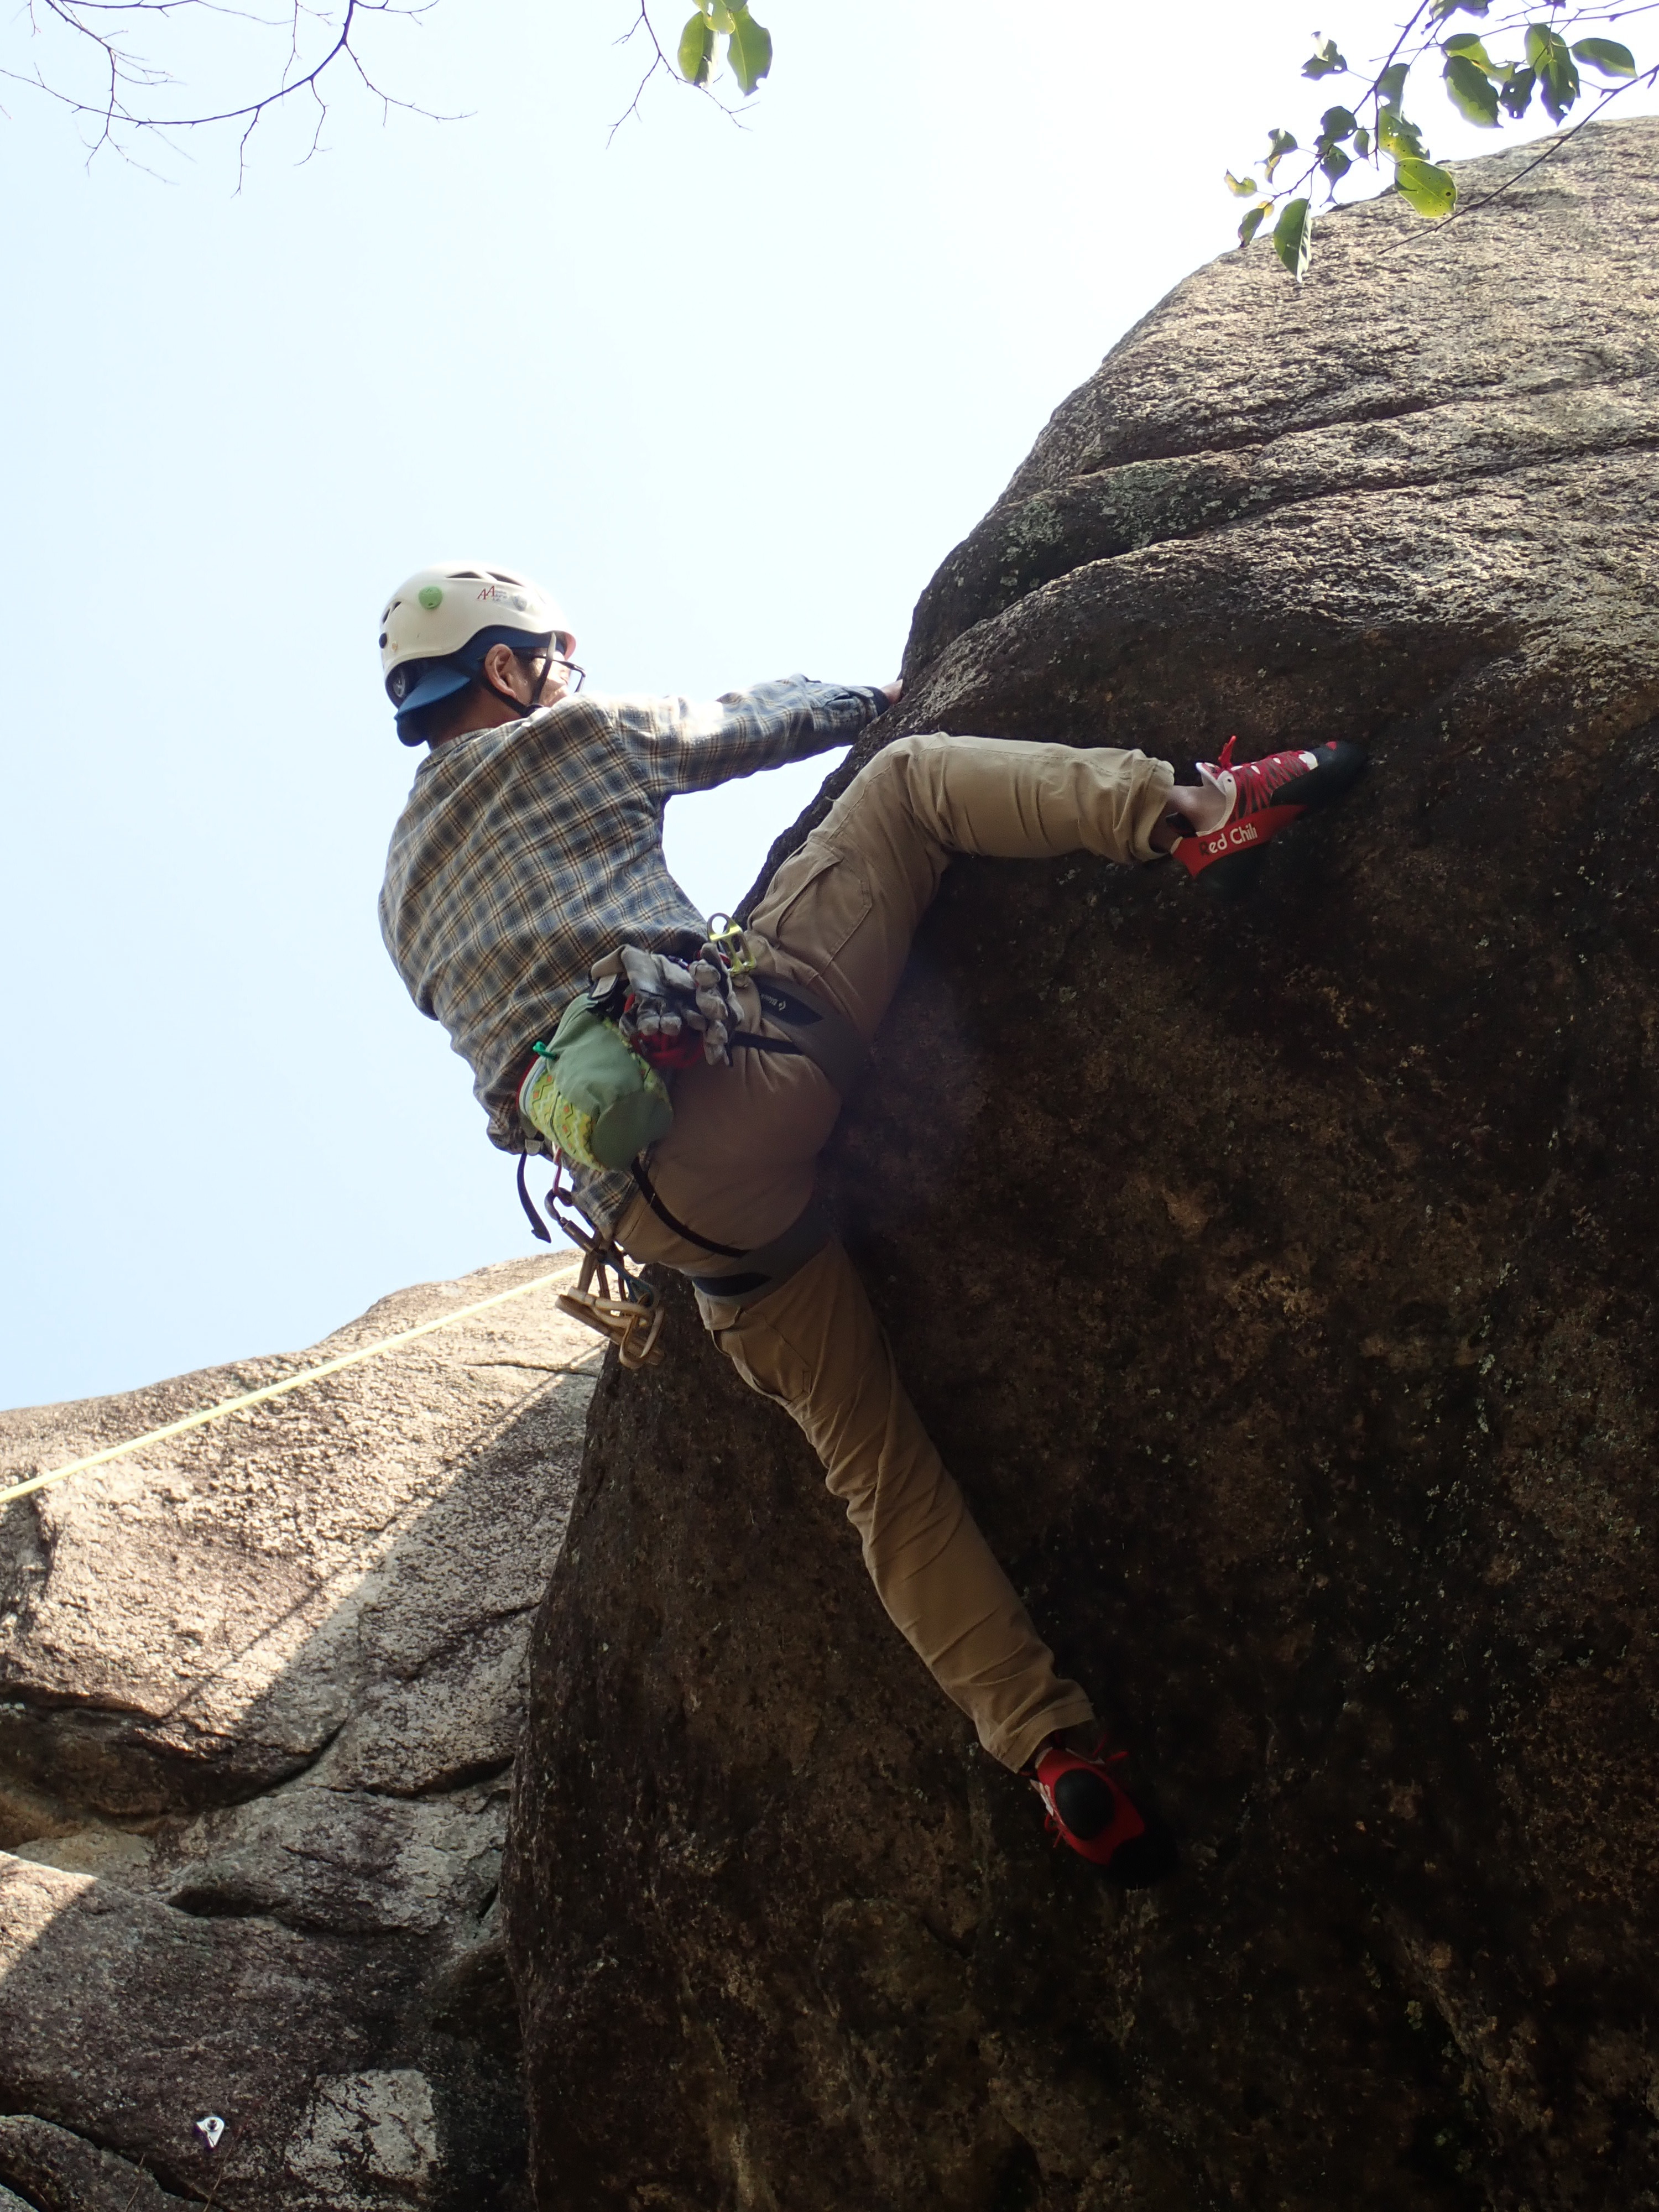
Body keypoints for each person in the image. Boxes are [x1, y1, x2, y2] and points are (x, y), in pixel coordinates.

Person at [377, 561, 1363, 1884]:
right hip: (741, 1072)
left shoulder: (399, 898)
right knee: (909, 786)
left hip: (663, 1221)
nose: (559, 671)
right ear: (504, 669)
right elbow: (744, 721)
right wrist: (881, 697)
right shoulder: (572, 736)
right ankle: (1192, 806)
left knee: (876, 1471)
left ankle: (1053, 1751)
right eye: (544, 653)